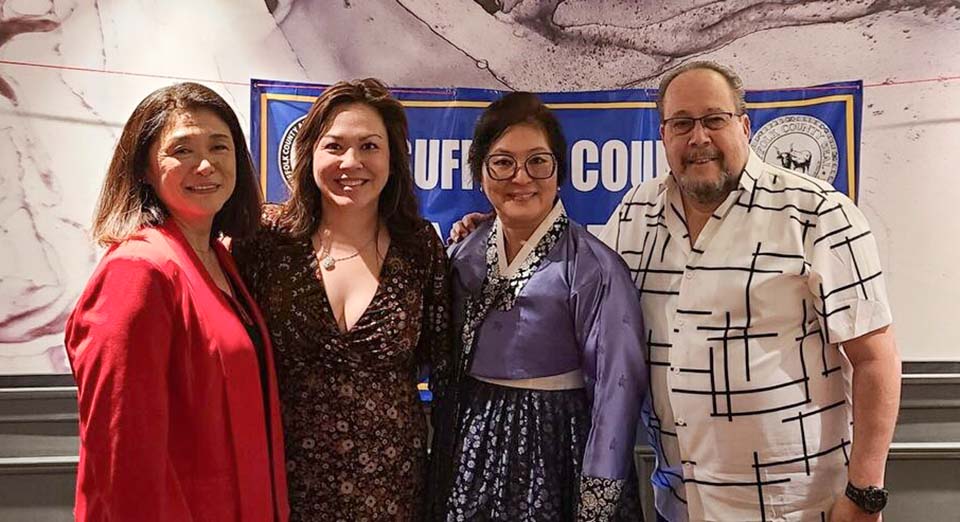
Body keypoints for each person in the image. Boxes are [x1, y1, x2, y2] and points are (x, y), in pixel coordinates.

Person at [598, 61, 901, 521]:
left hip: (794, 509)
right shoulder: (634, 213)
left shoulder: (817, 213)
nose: (698, 137)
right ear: (663, 135)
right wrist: (497, 227)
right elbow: (577, 284)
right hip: (678, 503)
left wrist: (865, 493)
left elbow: (876, 358)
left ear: (744, 125)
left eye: (714, 119)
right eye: (682, 123)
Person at [64, 82, 288, 521]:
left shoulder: (219, 259)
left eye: (219, 146)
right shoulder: (137, 271)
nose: (205, 165)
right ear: (145, 168)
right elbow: (123, 456)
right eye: (181, 150)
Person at [232, 78, 450, 521]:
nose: (351, 162)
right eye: (334, 146)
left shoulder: (420, 246)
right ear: (309, 153)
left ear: (393, 159)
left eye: (370, 146)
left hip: (393, 489)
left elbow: (445, 365)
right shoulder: (266, 240)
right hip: (284, 483)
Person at [429, 92, 648, 521]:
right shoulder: (463, 254)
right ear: (481, 172)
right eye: (503, 162)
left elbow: (617, 389)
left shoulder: (594, 266)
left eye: (538, 162)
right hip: (470, 444)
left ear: (558, 171)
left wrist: (599, 493)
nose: (521, 177)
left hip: (557, 446)